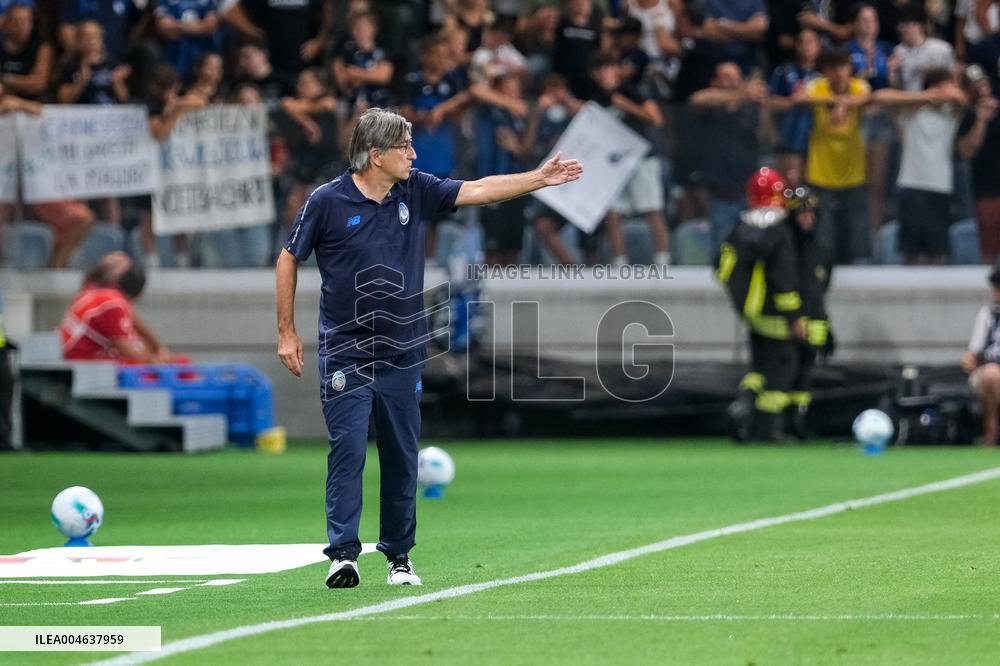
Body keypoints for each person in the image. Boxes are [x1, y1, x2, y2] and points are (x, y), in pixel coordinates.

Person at [275, 107, 581, 588]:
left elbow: (479, 189)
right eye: (404, 147)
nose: (414, 155)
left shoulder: (415, 190)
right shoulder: (326, 201)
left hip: (402, 350)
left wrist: (538, 179)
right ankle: (343, 556)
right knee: (348, 451)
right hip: (346, 350)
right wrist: (287, 331)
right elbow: (288, 258)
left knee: (401, 455)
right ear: (375, 155)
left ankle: (398, 557)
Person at [715, 167, 807, 442]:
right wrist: (795, 317)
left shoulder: (740, 229)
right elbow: (783, 280)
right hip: (776, 315)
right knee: (781, 372)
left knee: (758, 368)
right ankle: (767, 430)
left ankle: (743, 404)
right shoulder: (780, 232)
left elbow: (720, 267)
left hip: (751, 313)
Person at [873, 68, 967, 265]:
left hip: (940, 186)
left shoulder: (952, 113)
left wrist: (942, 94)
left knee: (938, 251)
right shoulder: (911, 112)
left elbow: (960, 97)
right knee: (909, 251)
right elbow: (879, 96)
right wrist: (925, 97)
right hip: (910, 184)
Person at [60, 253, 182, 364]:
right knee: (177, 363)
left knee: (168, 360)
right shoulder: (111, 301)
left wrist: (159, 348)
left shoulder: (91, 292)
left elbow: (134, 321)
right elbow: (125, 349)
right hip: (80, 363)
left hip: (79, 358)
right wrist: (156, 361)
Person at [782, 184, 831, 440]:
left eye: (811, 213)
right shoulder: (784, 246)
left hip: (814, 322)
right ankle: (778, 423)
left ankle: (797, 422)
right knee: (784, 375)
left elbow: (819, 290)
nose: (807, 218)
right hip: (788, 323)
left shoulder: (819, 248)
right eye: (801, 213)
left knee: (804, 378)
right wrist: (794, 319)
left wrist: (826, 326)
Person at [961, 267, 1000, 447]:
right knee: (992, 374)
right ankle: (991, 426)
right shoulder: (988, 314)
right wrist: (968, 360)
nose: (996, 294)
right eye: (995, 289)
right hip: (988, 371)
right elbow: (973, 352)